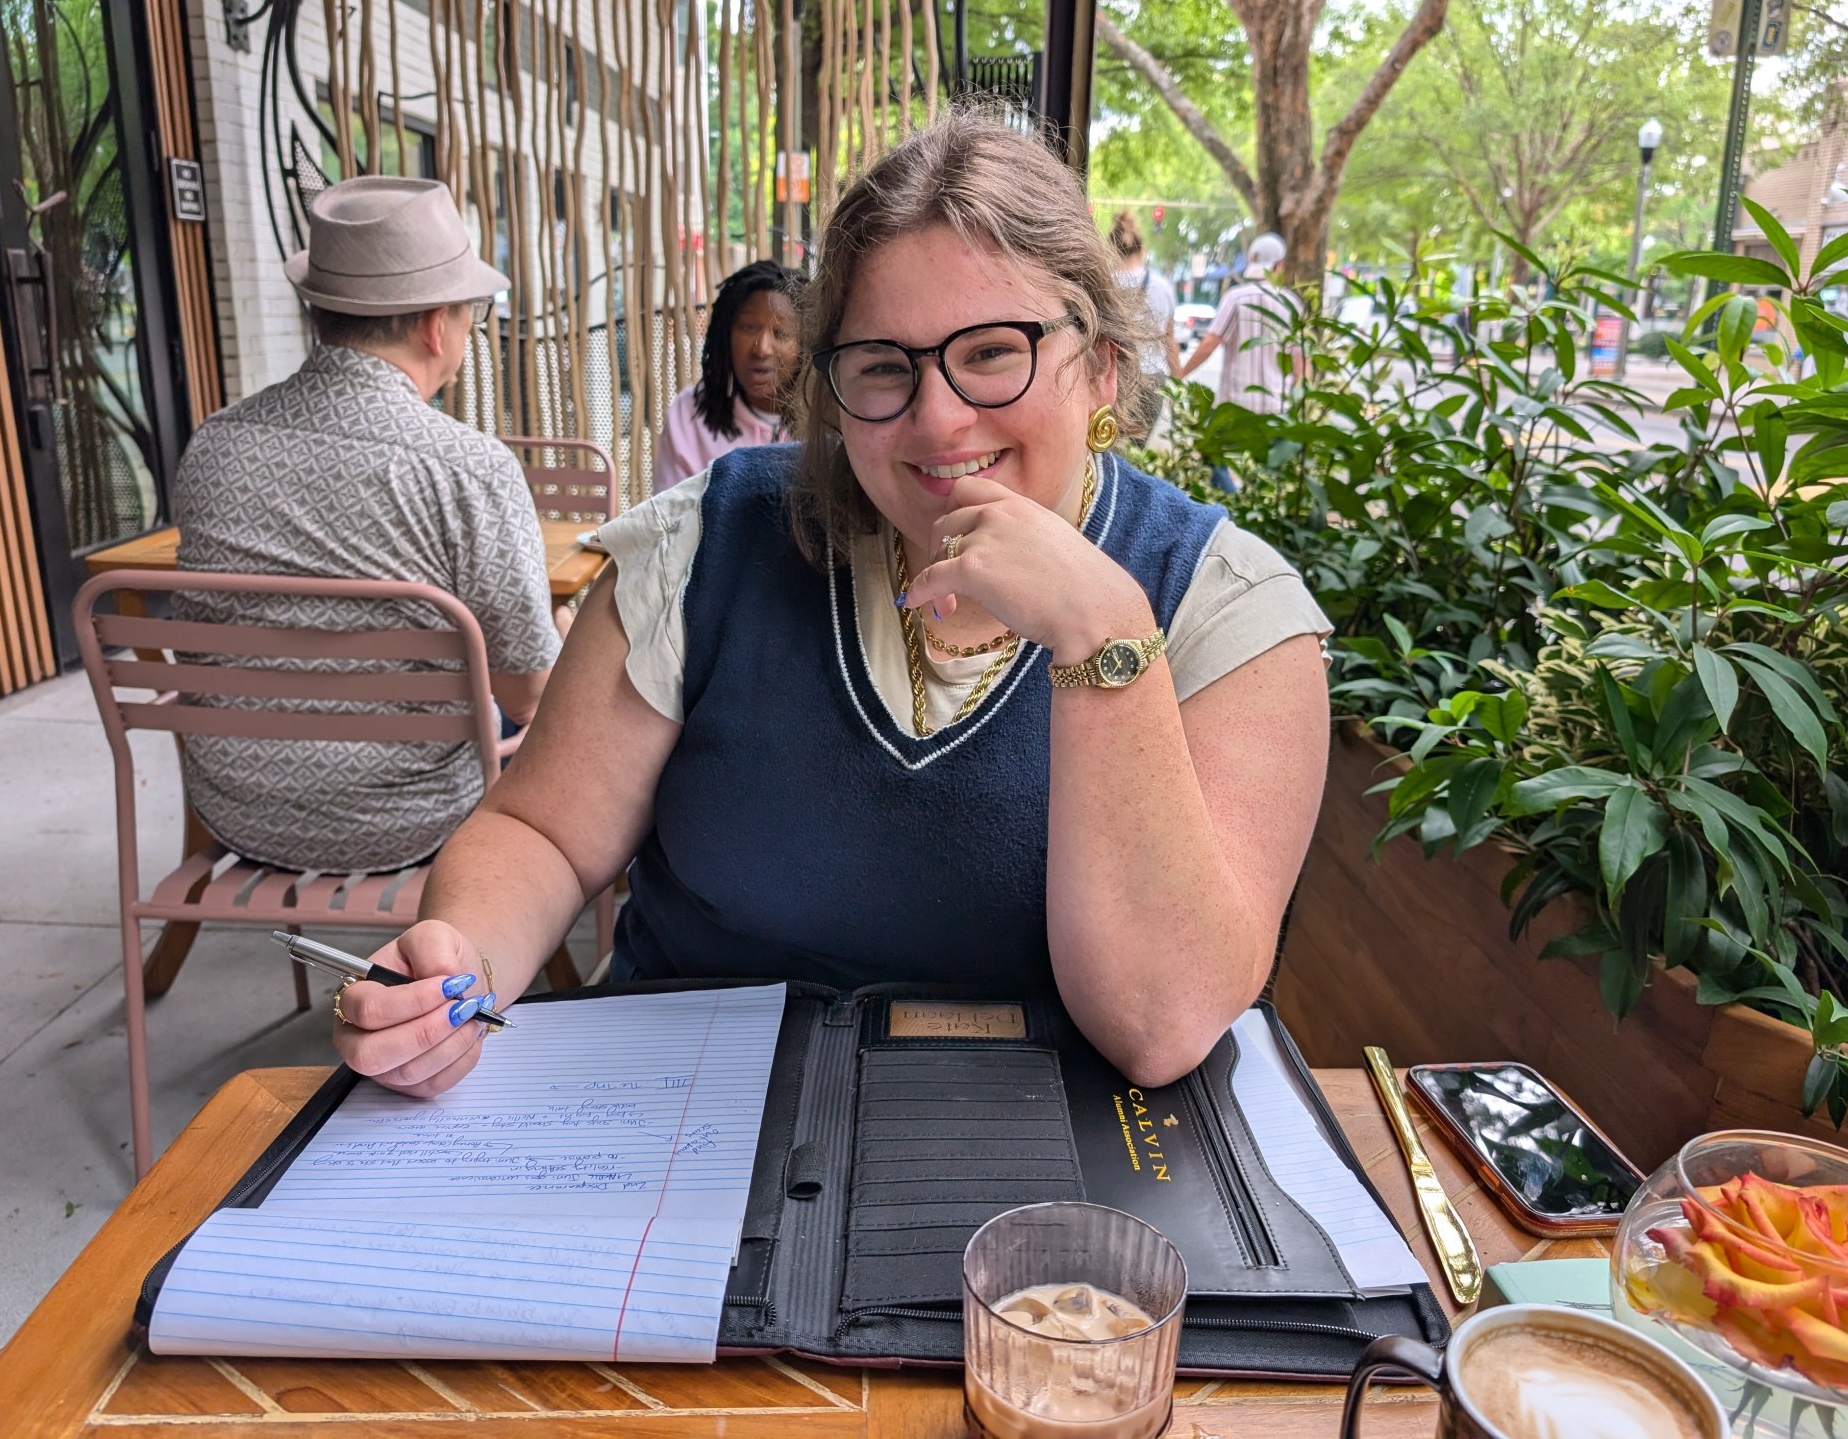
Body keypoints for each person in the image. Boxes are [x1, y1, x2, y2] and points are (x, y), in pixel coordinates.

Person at [331, 113, 1333, 1096]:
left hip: (1032, 1179)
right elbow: (543, 832)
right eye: (883, 368)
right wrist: (454, 967)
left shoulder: (1222, 609)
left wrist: (1102, 635)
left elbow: (1158, 1026)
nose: (938, 419)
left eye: (993, 351)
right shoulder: (704, 546)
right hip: (676, 1122)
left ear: (1100, 364)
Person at [174, 176, 564, 873]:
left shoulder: (214, 444)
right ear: (433, 324)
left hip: (235, 803)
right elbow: (527, 696)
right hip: (415, 814)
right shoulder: (469, 467)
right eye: (471, 310)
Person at [655, 259, 803, 491]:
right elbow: (669, 519)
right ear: (726, 336)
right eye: (748, 327)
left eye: (781, 333)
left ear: (806, 345)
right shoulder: (689, 416)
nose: (762, 348)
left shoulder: (830, 424)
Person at [1180, 232, 1296, 412]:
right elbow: (1300, 360)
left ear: (1251, 261)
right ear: (1279, 265)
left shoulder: (1235, 298)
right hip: (1279, 410)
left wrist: (1180, 374)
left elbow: (1209, 343)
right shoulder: (1291, 303)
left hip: (1237, 409)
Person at [1110, 210, 1183, 386]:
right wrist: (1178, 383)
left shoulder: (1104, 283)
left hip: (1116, 380)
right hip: (1153, 381)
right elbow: (1170, 343)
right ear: (1141, 249)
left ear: (1110, 248)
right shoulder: (1163, 286)